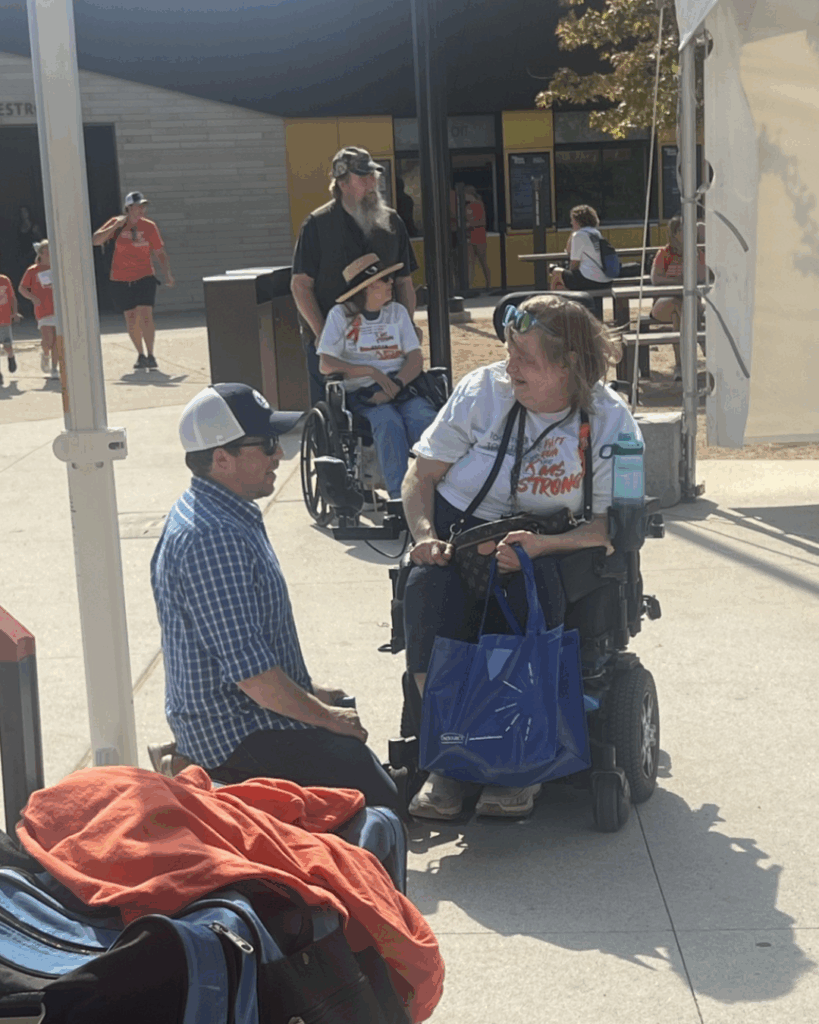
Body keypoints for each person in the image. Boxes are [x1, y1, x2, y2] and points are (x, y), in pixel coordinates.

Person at [401, 294, 641, 820]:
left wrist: (542, 548)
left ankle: (518, 760)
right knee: (425, 593)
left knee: (529, 593)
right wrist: (422, 534)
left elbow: (614, 528)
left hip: (551, 547)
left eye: (526, 360)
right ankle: (449, 757)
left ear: (568, 366)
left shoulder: (608, 419)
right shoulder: (482, 392)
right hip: (462, 536)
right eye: (509, 353)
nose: (510, 368)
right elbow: (420, 477)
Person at [148, 382, 400, 811]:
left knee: (348, 728)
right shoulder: (213, 537)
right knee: (379, 802)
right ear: (221, 458)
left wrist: (314, 693)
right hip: (233, 731)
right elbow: (252, 677)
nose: (279, 454)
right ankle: (205, 774)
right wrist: (326, 717)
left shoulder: (224, 509)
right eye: (266, 445)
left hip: (242, 712)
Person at [291, 147, 419, 407]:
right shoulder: (318, 224)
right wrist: (322, 333)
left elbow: (404, 281)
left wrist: (407, 326)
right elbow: (301, 285)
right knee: (333, 415)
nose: (373, 184)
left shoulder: (392, 223)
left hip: (385, 344)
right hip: (336, 342)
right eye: (364, 178)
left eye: (374, 177)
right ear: (341, 182)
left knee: (400, 409)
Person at [316, 254, 437, 499]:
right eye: (384, 279)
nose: (391, 282)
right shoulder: (341, 315)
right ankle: (398, 497)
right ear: (368, 286)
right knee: (388, 423)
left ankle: (437, 492)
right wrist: (371, 371)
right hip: (363, 391)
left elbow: (415, 358)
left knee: (425, 421)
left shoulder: (397, 313)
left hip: (402, 384)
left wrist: (395, 384)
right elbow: (326, 364)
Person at [92, 190, 175, 371]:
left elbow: (160, 252)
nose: (141, 210)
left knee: (145, 314)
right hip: (120, 278)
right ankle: (140, 354)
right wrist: (115, 227)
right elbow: (96, 241)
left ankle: (151, 354)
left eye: (143, 207)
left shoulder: (150, 226)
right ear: (128, 208)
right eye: (137, 206)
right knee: (131, 318)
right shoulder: (116, 223)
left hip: (145, 275)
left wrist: (167, 274)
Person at [650, 215, 707, 381]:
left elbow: (702, 277)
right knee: (679, 305)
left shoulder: (697, 252)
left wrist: (696, 256)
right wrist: (679, 281)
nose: (690, 233)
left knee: (679, 316)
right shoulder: (665, 253)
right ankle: (701, 342)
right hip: (663, 303)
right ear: (675, 233)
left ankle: (681, 367)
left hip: (687, 306)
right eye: (685, 230)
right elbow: (656, 278)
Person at [18, 240, 59, 380]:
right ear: (41, 253)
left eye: (50, 250)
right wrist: (33, 298)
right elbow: (22, 288)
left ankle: (54, 368)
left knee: (57, 341)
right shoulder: (33, 270)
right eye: (46, 251)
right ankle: (45, 355)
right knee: (47, 340)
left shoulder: (57, 267)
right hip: (43, 309)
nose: (49, 253)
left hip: (58, 309)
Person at [549, 204, 611, 292]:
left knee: (556, 272)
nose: (571, 223)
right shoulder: (596, 233)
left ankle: (554, 302)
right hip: (606, 280)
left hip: (590, 280)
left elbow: (574, 263)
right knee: (564, 278)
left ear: (578, 221)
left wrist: (569, 274)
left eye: (572, 220)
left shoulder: (579, 235)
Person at [0, 264, 23, 387]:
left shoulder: (4, 280)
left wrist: (14, 313)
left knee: (7, 345)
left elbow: (12, 297)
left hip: (4, 318)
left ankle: (11, 356)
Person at [464, 185, 490, 291]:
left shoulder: (479, 205)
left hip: (479, 235)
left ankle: (489, 284)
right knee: (470, 262)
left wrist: (471, 224)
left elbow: (483, 221)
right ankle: (469, 286)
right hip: (470, 235)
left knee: (483, 260)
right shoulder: (467, 206)